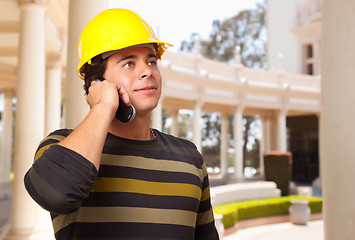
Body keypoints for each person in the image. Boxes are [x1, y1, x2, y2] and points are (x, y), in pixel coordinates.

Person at [24, 8, 219, 240]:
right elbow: (55, 194)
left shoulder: (189, 157)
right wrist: (103, 107)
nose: (147, 71)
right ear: (96, 81)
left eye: (152, 61)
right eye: (129, 64)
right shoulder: (60, 146)